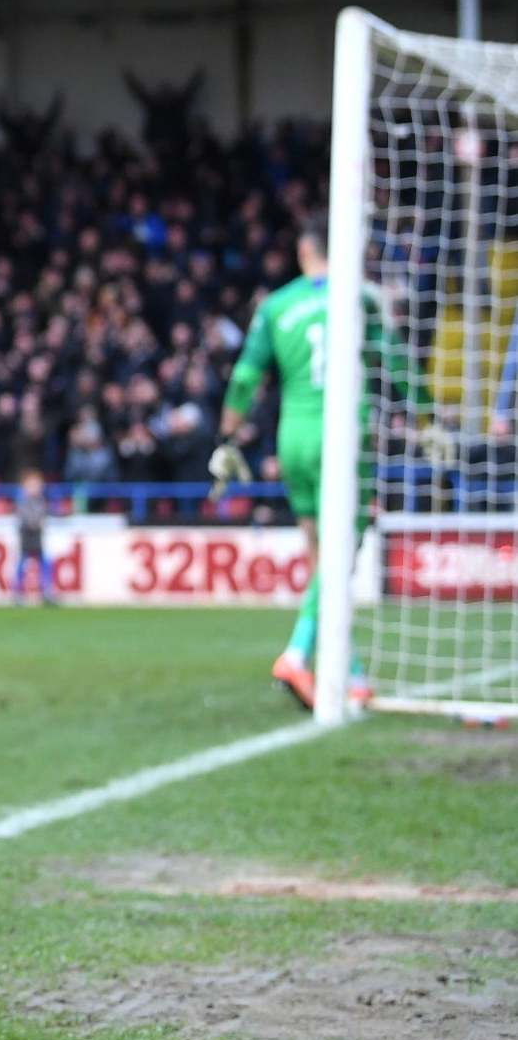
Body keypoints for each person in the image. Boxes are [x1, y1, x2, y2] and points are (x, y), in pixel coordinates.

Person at [210, 216, 430, 710]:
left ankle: (348, 671)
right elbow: (396, 361)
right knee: (342, 555)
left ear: (302, 252)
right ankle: (296, 653)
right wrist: (429, 417)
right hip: (345, 434)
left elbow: (245, 378)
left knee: (319, 559)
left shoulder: (276, 305)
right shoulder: (361, 297)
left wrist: (226, 438)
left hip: (295, 436)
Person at [12, 467, 56, 605]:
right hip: (26, 534)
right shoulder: (22, 501)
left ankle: (46, 591)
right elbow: (25, 516)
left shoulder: (41, 500)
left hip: (37, 534)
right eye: (32, 484)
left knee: (44, 562)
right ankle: (18, 592)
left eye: (37, 484)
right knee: (22, 563)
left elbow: (43, 514)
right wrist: (35, 522)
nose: (35, 488)